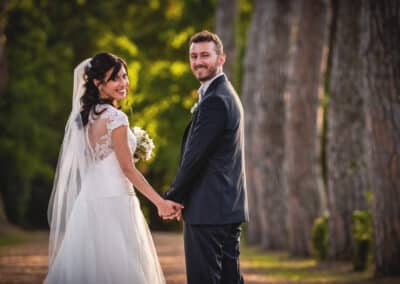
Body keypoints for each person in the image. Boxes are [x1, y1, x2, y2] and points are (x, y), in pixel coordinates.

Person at [44, 52, 183, 284]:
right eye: (115, 78)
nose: (124, 83)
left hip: (88, 203)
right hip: (115, 202)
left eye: (125, 77)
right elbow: (128, 169)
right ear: (98, 83)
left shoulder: (83, 119)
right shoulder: (116, 118)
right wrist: (159, 202)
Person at [164, 31, 249, 284]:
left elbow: (195, 156)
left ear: (221, 58)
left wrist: (174, 196)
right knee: (228, 279)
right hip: (225, 207)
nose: (198, 61)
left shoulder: (215, 100)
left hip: (208, 210)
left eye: (205, 55)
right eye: (193, 56)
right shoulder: (224, 94)